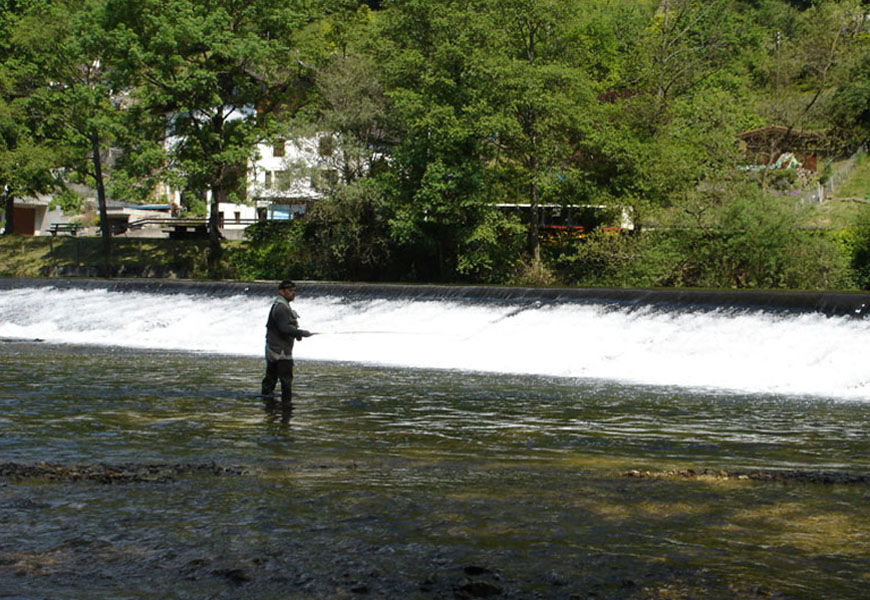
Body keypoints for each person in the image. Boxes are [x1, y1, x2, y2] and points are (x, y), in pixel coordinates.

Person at [262, 280, 312, 404]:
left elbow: (286, 327)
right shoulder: (281, 307)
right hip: (280, 352)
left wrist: (297, 334)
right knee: (286, 380)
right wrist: (301, 333)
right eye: (290, 291)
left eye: (293, 291)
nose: (293, 293)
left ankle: (267, 406)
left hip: (274, 349)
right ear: (281, 291)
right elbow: (284, 328)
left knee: (270, 379)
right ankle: (286, 407)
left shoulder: (281, 305)